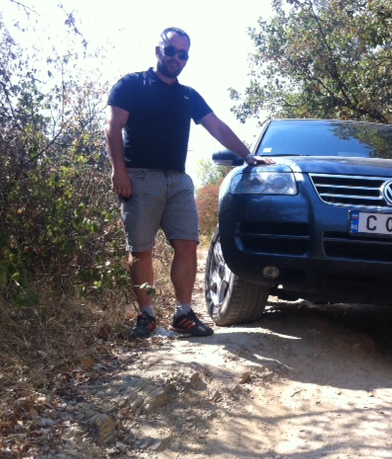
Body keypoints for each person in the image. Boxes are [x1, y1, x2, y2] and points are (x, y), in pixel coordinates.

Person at [105, 26, 274, 339]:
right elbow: (113, 128)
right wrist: (119, 171)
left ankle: (183, 313)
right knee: (140, 250)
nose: (176, 58)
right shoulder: (132, 84)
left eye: (183, 54)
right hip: (139, 176)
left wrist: (248, 155)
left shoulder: (189, 95)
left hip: (179, 180)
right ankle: (147, 315)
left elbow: (217, 127)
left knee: (187, 243)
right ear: (158, 51)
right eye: (171, 51)